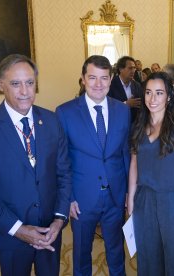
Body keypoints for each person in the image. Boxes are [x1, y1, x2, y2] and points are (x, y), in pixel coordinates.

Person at [0, 54, 72, 276]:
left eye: (30, 83)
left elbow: (64, 174)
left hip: (49, 231)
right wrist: (18, 229)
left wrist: (59, 220)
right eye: (16, 84)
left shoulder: (52, 121)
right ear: (1, 84)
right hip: (9, 234)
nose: (24, 91)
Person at [56, 55, 130, 276]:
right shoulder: (65, 112)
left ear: (111, 80)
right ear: (83, 80)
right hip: (81, 198)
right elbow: (61, 160)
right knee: (81, 253)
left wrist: (127, 192)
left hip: (116, 196)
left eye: (104, 78)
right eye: (93, 78)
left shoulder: (123, 110)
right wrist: (67, 198)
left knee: (116, 250)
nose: (99, 84)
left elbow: (125, 153)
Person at [128, 71, 174, 275]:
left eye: (159, 93)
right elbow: (134, 165)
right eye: (148, 92)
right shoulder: (139, 126)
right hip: (144, 201)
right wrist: (131, 201)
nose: (153, 99)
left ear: (169, 96)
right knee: (148, 258)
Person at [108, 56, 142, 123]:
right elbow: (107, 107)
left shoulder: (137, 85)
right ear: (121, 69)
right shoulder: (110, 85)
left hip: (134, 126)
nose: (133, 71)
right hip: (117, 124)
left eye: (134, 68)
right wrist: (125, 104)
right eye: (130, 68)